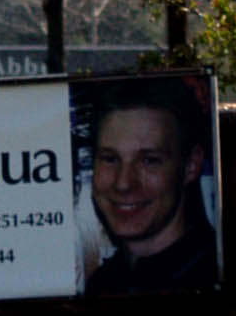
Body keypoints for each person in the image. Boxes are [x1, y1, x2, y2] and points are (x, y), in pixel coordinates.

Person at [84, 78, 218, 295]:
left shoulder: (216, 278)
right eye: (110, 159)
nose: (124, 183)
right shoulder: (102, 284)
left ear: (191, 166)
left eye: (149, 160)